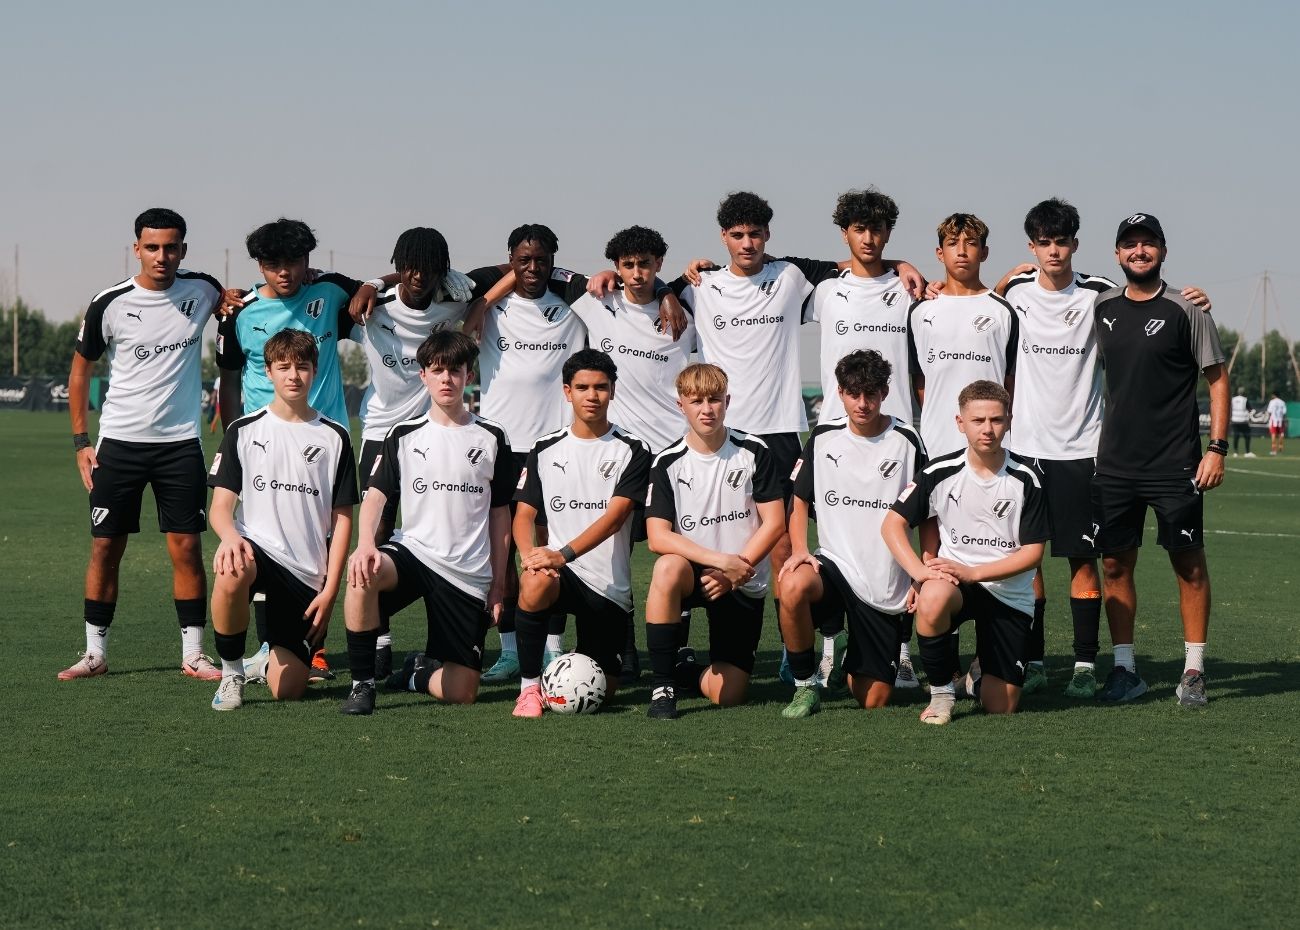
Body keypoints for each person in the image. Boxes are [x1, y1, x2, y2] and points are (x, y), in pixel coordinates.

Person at [994, 199, 1214, 696]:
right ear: (1031, 247)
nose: (1053, 250)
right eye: (1044, 242)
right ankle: (1031, 661)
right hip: (1024, 448)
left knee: (1085, 559)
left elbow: (1149, 309)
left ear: (1076, 243)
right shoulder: (1012, 294)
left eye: (1062, 240)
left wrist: (1194, 302)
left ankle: (1086, 665)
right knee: (1024, 558)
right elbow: (974, 312)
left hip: (1084, 449)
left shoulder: (1099, 295)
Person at [473, 224, 684, 685]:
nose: (532, 268)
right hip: (504, 445)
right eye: (522, 260)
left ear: (553, 261)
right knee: (506, 549)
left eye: (541, 260)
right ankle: (511, 651)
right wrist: (484, 303)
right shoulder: (488, 296)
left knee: (579, 544)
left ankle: (554, 650)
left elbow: (627, 277)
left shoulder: (572, 297)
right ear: (510, 260)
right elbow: (467, 278)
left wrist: (666, 291)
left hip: (558, 445)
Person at [61, 208, 225, 681]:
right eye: (152, 247)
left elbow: (238, 301)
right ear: (137, 248)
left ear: (183, 251)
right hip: (119, 445)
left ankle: (193, 654)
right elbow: (80, 370)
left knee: (187, 548)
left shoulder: (204, 290)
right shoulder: (109, 302)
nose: (162, 256)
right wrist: (81, 441)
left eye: (171, 247)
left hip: (179, 446)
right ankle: (95, 652)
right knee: (105, 549)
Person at [216, 218, 366, 680]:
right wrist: (231, 431)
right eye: (273, 264)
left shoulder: (332, 293)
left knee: (317, 541)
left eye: (294, 261)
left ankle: (308, 648)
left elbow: (376, 287)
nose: (285, 272)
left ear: (308, 261)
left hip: (324, 439)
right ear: (260, 265)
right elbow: (230, 375)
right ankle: (261, 650)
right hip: (266, 441)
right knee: (262, 537)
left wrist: (376, 284)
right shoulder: (240, 312)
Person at [350, 228, 501, 679]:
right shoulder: (370, 307)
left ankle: (446, 634)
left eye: (429, 267)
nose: (418, 276)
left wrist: (478, 304)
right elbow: (320, 281)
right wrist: (373, 283)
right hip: (381, 433)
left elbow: (514, 267)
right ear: (398, 264)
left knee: (445, 526)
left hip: (437, 434)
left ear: (443, 269)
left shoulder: (455, 297)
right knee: (374, 543)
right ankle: (380, 642)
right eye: (409, 266)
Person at [1092, 213, 1228, 707]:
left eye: (1148, 243)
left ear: (1164, 251)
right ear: (1117, 254)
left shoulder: (1187, 309)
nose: (1139, 251)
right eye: (1130, 244)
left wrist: (1217, 448)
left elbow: (1217, 378)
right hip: (1114, 465)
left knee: (1188, 564)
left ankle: (1193, 669)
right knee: (1114, 564)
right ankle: (1125, 669)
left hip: (1176, 464)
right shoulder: (1101, 305)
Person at [340, 331, 514, 715]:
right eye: (437, 370)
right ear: (423, 376)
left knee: (463, 692)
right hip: (414, 553)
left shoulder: (493, 437)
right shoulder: (402, 434)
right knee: (361, 573)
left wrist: (499, 586)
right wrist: (366, 543)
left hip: (466, 572)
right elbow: (375, 496)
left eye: (455, 370)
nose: (447, 379)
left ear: (469, 375)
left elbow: (501, 516)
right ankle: (362, 684)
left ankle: (417, 673)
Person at [568, 225, 695, 682]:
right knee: (613, 550)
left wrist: (670, 293)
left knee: (675, 555)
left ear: (659, 264)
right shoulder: (597, 301)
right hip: (616, 453)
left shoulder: (685, 310)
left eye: (645, 264)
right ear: (617, 268)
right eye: (628, 265)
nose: (637, 273)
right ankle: (623, 649)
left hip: (671, 455)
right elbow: (529, 271)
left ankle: (678, 648)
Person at [881, 380, 1049, 725]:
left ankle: (976, 675)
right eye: (978, 420)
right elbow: (892, 525)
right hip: (956, 585)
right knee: (932, 596)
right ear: (961, 423)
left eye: (996, 420)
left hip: (1008, 594)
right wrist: (920, 572)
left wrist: (975, 572)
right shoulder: (938, 472)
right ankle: (942, 693)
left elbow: (1032, 553)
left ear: (1009, 420)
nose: (988, 429)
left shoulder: (1028, 478)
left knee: (1001, 706)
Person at [207, 329, 358, 710]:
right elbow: (221, 508)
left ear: (315, 371)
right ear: (269, 372)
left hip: (306, 573)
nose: (293, 375)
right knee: (231, 568)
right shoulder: (242, 430)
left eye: (302, 367)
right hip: (255, 549)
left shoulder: (335, 437)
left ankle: (266, 661)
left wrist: (330, 588)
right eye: (284, 367)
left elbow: (342, 521)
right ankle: (231, 673)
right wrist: (230, 537)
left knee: (288, 688)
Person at [777, 350, 926, 717]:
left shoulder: (907, 440)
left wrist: (922, 572)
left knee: (872, 699)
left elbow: (930, 514)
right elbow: (798, 500)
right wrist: (799, 549)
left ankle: (851, 652)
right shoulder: (824, 436)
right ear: (840, 393)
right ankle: (804, 684)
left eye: (871, 394)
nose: (863, 403)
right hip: (834, 564)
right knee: (793, 584)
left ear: (884, 393)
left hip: (882, 583)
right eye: (854, 394)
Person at [510, 349, 652, 717]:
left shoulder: (634, 449)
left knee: (605, 692)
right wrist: (530, 556)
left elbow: (616, 516)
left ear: (613, 391)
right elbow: (524, 515)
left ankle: (571, 665)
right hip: (560, 574)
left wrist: (564, 553)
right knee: (536, 581)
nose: (593, 396)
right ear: (567, 391)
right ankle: (528, 690)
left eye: (601, 388)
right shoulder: (544, 448)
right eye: (584, 387)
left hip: (607, 588)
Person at [642, 363, 786, 719]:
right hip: (697, 572)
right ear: (681, 406)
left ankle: (685, 669)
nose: (707, 409)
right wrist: (721, 562)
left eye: (715, 400)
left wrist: (737, 568)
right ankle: (663, 687)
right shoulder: (666, 463)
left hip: (742, 578)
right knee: (667, 567)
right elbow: (657, 537)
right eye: (697, 401)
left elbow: (775, 522)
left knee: (729, 696)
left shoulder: (754, 450)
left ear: (727, 401)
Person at [909, 213, 1017, 460]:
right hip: (937, 440)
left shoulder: (1003, 310)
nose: (961, 251)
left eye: (970, 243)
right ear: (939, 253)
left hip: (992, 442)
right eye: (952, 243)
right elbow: (920, 382)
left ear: (984, 252)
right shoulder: (920, 310)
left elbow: (1010, 380)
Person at [1230, 386, 1254, 457]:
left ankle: (1235, 452)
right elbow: (1250, 409)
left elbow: (1230, 409)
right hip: (1243, 420)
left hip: (1234, 420)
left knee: (1236, 436)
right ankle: (1247, 452)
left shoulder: (1233, 399)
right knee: (1247, 436)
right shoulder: (1245, 399)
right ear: (1244, 392)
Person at [1267, 390, 1287, 454]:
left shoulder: (1272, 402)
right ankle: (1280, 446)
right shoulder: (1282, 402)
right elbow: (1284, 412)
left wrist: (1269, 419)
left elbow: (1269, 411)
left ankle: (1274, 450)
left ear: (1274, 395)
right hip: (1280, 420)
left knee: (1273, 434)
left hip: (1273, 420)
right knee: (1281, 434)